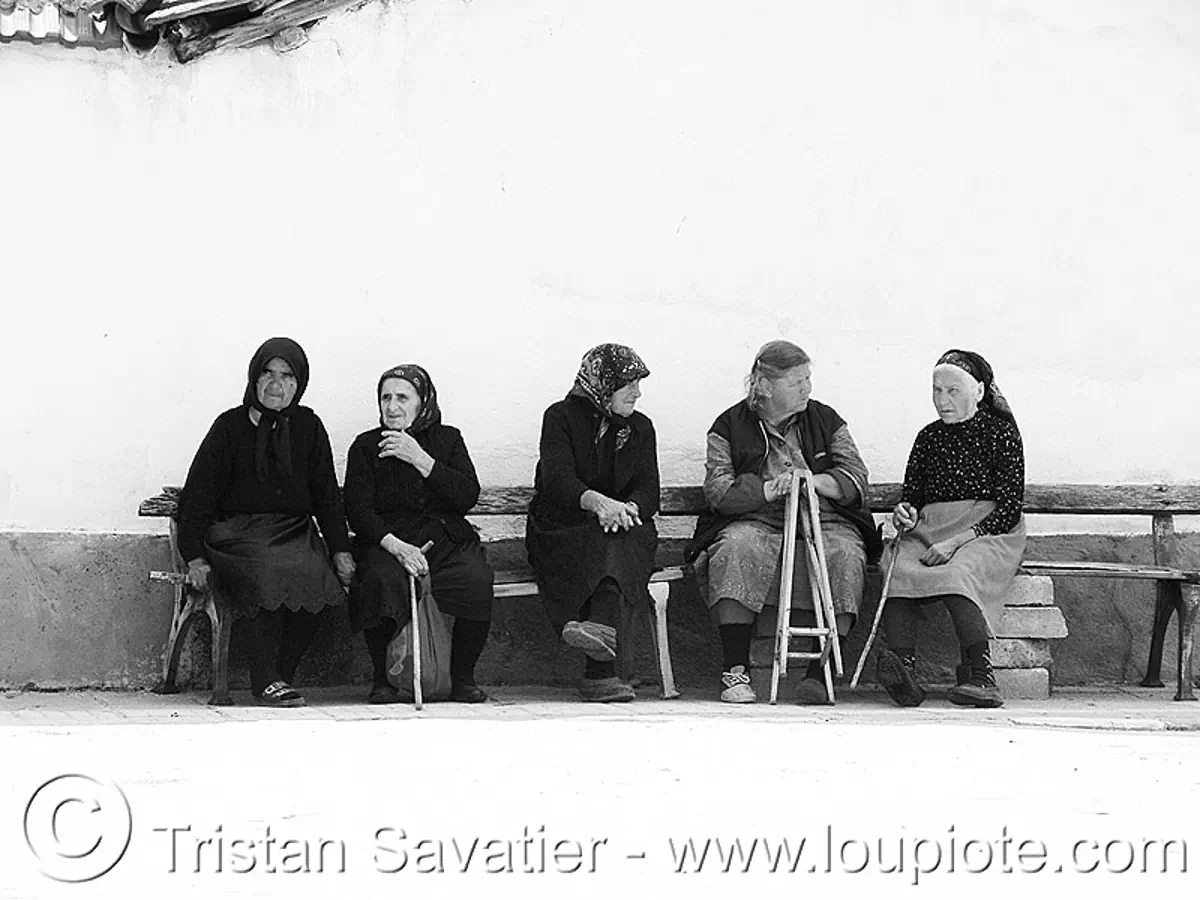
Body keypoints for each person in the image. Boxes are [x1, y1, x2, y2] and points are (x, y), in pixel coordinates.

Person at [686, 340, 882, 705]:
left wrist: (812, 481)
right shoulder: (728, 425)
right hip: (757, 518)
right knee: (735, 547)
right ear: (765, 385)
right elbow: (718, 490)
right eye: (797, 381)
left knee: (843, 553)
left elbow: (856, 475)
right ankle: (735, 669)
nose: (807, 388)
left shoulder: (825, 419)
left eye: (808, 379)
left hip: (823, 518)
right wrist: (766, 490)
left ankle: (819, 673)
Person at [176, 337, 355, 708]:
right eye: (267, 374)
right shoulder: (229, 426)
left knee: (320, 579)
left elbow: (325, 494)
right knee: (268, 573)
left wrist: (340, 550)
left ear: (299, 382)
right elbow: (197, 496)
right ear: (254, 378)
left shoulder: (308, 426)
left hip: (293, 532)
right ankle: (267, 676)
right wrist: (193, 555)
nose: (276, 384)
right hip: (236, 534)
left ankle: (277, 675)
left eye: (287, 376)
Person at [877, 349, 1026, 709]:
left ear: (978, 390)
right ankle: (905, 673)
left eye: (953, 391)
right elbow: (912, 496)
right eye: (936, 390)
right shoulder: (928, 437)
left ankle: (981, 675)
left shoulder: (1001, 434)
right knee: (896, 565)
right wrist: (905, 513)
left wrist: (956, 542)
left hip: (987, 531)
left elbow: (1008, 508)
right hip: (932, 528)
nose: (942, 400)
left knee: (958, 571)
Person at [343, 365, 494, 704]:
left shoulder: (448, 439)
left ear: (423, 401)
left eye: (402, 397)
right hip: (389, 542)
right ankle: (383, 679)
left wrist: (422, 460)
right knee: (381, 578)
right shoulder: (366, 447)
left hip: (444, 540)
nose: (392, 407)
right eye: (385, 398)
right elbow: (359, 510)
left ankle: (463, 678)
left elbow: (466, 494)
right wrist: (397, 547)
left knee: (475, 579)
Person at [526, 344, 660, 703]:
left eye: (638, 383)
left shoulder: (641, 428)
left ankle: (594, 650)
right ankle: (600, 674)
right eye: (627, 383)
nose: (637, 392)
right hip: (562, 528)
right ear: (602, 383)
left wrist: (627, 508)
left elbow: (649, 487)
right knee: (606, 541)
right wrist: (598, 503)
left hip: (622, 528)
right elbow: (557, 479)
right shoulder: (560, 418)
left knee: (617, 539)